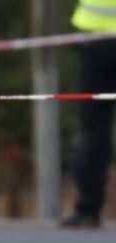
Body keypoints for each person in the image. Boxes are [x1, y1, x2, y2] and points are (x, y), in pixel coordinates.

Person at [64, 0, 116, 229]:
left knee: (94, 129)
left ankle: (88, 209)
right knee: (93, 131)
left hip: (96, 41)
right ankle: (87, 208)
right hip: (94, 41)